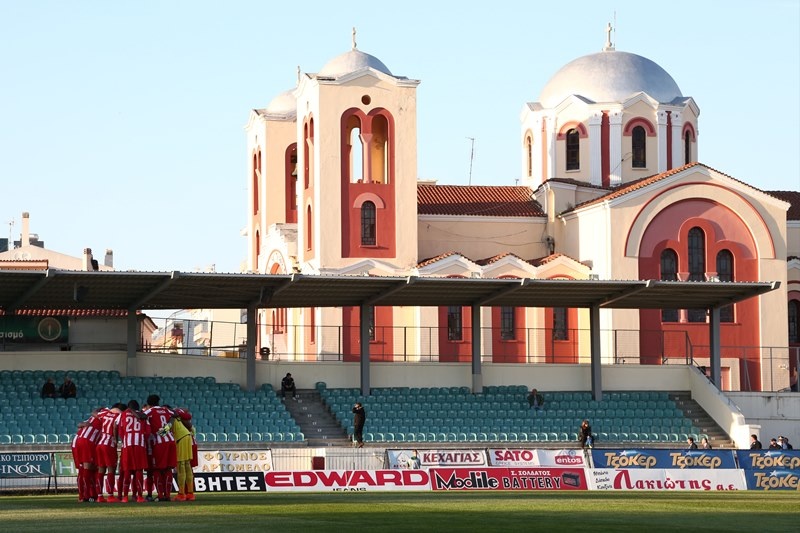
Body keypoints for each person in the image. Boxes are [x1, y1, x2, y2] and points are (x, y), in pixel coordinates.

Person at [144, 394, 177, 502]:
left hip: (159, 443)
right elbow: (175, 414)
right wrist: (166, 429)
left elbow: (141, 416)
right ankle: (167, 495)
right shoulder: (166, 410)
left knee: (157, 469)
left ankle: (160, 495)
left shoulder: (150, 411)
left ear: (149, 404)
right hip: (171, 441)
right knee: (168, 468)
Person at [117, 399, 151, 503]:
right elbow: (148, 432)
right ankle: (139, 497)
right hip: (140, 444)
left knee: (127, 470)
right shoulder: (144, 414)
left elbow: (119, 428)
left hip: (127, 445)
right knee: (139, 471)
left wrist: (124, 439)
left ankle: (125, 497)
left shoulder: (123, 415)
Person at [95, 403, 124, 503]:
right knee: (111, 469)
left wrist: (102, 408)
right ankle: (111, 495)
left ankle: (99, 496)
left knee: (101, 470)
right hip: (109, 444)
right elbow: (116, 427)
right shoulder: (119, 416)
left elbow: (94, 413)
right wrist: (116, 439)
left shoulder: (104, 413)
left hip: (100, 443)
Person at [168, 407, 196, 501]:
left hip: (181, 439)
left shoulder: (171, 417)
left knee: (181, 466)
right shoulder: (178, 417)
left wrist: (159, 433)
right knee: (187, 465)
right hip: (187, 437)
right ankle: (190, 494)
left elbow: (167, 428)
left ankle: (181, 494)